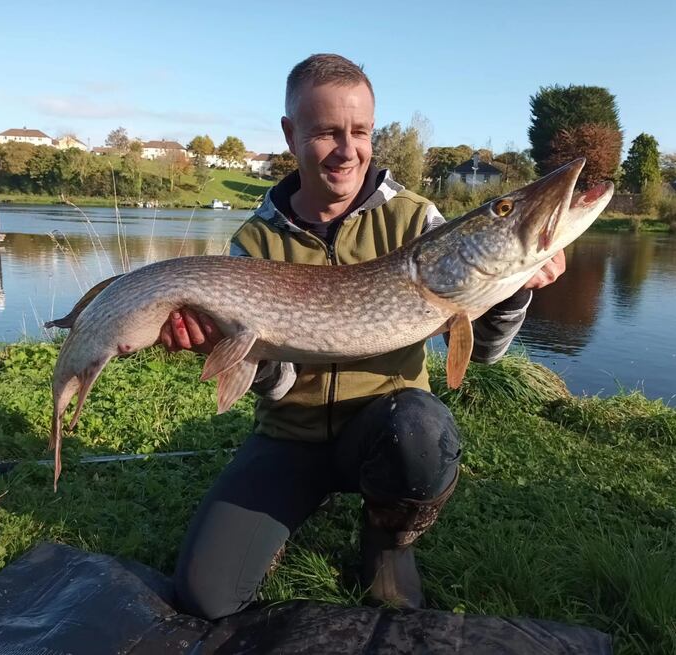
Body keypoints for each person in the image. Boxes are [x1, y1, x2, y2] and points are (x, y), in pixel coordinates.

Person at [163, 54, 566, 620]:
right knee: (205, 596)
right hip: (291, 437)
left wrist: (517, 287)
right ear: (290, 134)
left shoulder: (414, 220)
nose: (347, 149)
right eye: (327, 131)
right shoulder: (253, 243)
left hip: (387, 431)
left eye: (361, 131)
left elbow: (490, 351)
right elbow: (270, 385)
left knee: (422, 428)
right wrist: (220, 345)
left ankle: (386, 538)